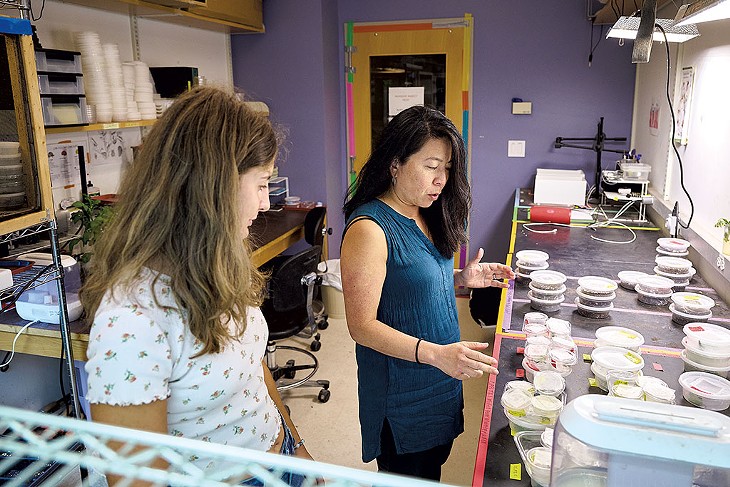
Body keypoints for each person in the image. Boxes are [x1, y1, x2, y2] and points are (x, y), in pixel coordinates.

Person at [82, 86, 312, 486]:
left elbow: (251, 365)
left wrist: (295, 444)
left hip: (281, 458)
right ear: (213, 188)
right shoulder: (133, 320)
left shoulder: (216, 265)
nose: (264, 203)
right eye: (260, 184)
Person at [340, 105, 515, 481]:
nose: (442, 180)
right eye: (431, 166)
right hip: (403, 393)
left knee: (432, 470)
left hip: (440, 377)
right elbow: (362, 326)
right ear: (395, 164)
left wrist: (459, 278)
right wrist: (435, 354)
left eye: (447, 168)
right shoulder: (369, 229)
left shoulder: (424, 212)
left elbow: (407, 281)